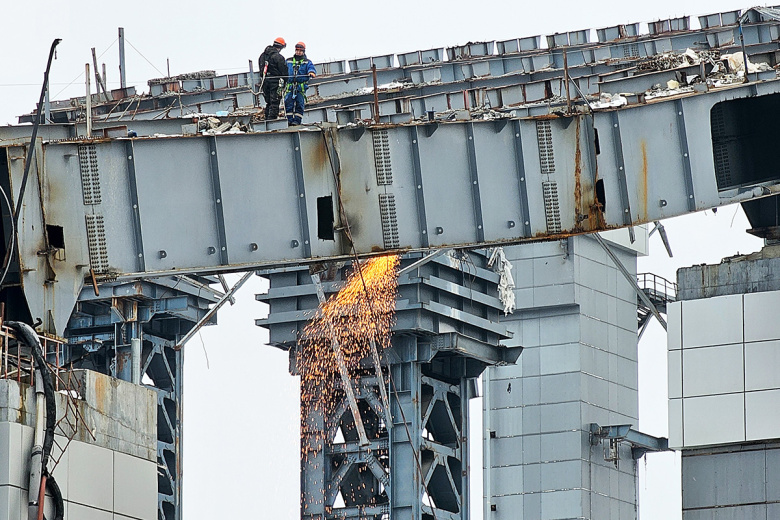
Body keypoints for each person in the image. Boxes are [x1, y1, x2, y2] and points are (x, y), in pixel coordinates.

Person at [284, 42, 316, 126]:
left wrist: (311, 72)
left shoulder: (307, 62)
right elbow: (283, 69)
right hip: (290, 86)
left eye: (300, 51)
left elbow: (311, 68)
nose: (298, 52)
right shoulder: (288, 61)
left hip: (300, 87)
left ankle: (297, 121)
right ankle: (289, 120)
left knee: (300, 103)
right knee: (288, 103)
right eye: (297, 50)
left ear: (303, 51)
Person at [258, 37, 287, 120]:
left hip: (265, 82)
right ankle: (272, 121)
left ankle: (267, 120)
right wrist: (285, 81)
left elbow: (261, 71)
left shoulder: (262, 56)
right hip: (275, 82)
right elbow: (284, 73)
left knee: (269, 102)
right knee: (274, 103)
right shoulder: (278, 57)